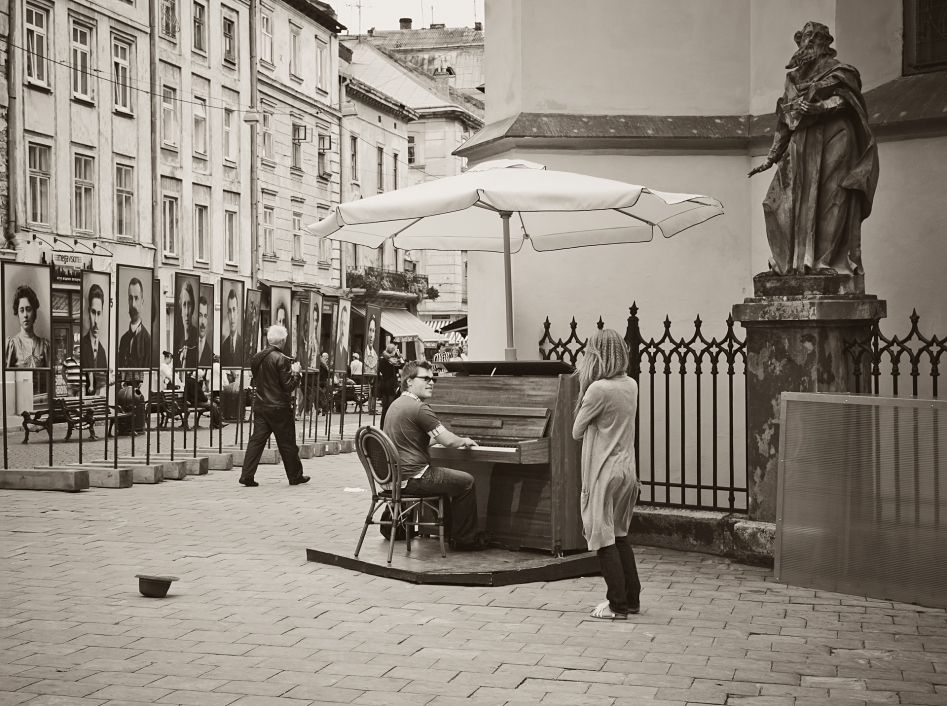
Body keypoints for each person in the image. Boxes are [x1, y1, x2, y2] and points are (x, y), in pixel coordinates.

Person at [748, 21, 878, 276]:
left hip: (835, 135)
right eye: (802, 39)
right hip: (801, 143)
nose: (805, 44)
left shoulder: (840, 70)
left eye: (810, 38)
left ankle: (823, 262)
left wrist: (822, 107)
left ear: (823, 42)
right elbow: (785, 120)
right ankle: (789, 263)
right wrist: (772, 157)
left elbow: (848, 100)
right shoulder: (794, 79)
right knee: (775, 203)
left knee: (833, 197)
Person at [571, 329, 641, 620]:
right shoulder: (631, 384)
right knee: (621, 534)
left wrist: (585, 390)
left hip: (604, 471)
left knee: (603, 538)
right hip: (627, 470)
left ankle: (616, 604)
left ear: (595, 355)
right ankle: (632, 598)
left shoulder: (598, 389)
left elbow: (577, 431)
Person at [385, 360, 490, 550]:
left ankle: (451, 534)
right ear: (409, 381)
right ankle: (465, 540)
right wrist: (464, 440)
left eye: (432, 379)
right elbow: (449, 441)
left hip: (397, 478)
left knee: (450, 482)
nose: (431, 382)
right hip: (416, 478)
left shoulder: (396, 405)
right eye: (425, 378)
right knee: (466, 482)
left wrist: (444, 439)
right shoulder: (419, 408)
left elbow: (414, 440)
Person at [239, 324, 309, 487]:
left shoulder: (257, 357)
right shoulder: (282, 359)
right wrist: (296, 373)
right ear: (282, 341)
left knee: (256, 440)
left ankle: (247, 474)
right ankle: (295, 475)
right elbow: (289, 386)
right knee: (287, 443)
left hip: (261, 405)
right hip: (278, 407)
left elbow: (256, 378)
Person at [5, 284, 50, 369]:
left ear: (34, 312)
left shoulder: (44, 345)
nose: (25, 315)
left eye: (28, 309)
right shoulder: (12, 345)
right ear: (17, 313)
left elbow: (49, 377)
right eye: (21, 310)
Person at [117, 277, 152, 370]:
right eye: (131, 298)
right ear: (128, 301)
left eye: (136, 298)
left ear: (142, 303)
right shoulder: (123, 340)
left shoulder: (148, 341)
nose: (133, 304)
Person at [80, 284, 108, 394]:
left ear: (102, 315)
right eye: (93, 312)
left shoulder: (102, 351)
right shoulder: (82, 344)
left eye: (99, 313)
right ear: (88, 312)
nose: (96, 320)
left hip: (98, 402)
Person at [378, 344, 403, 428]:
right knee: (391, 406)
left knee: (385, 407)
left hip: (384, 384)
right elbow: (403, 365)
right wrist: (400, 356)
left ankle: (382, 425)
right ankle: (389, 425)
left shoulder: (381, 360)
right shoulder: (394, 362)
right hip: (392, 385)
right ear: (393, 351)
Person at [176, 281, 198, 369]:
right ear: (181, 310)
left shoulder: (197, 339)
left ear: (193, 308)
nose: (186, 313)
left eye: (189, 305)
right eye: (184, 305)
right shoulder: (179, 343)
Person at [221, 288, 243, 368]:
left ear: (238, 313)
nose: (232, 316)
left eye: (234, 310)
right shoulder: (223, 346)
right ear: (227, 314)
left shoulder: (243, 344)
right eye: (230, 311)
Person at [197, 295, 213, 367]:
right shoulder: (189, 346)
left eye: (205, 316)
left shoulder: (209, 352)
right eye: (200, 315)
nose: (203, 322)